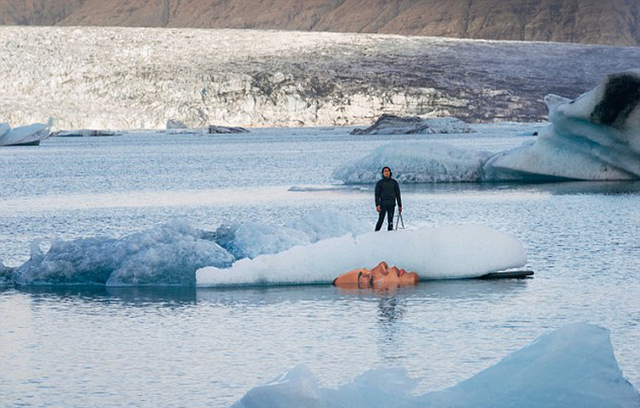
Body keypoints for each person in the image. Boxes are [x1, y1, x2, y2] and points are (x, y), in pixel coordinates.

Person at [374, 166, 402, 231]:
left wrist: (399, 205)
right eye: (385, 171)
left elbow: (398, 194)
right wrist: (377, 205)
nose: (386, 173)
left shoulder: (394, 182)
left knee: (390, 221)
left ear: (390, 172)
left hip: (391, 204)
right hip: (382, 204)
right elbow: (377, 195)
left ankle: (390, 235)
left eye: (387, 171)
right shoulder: (380, 183)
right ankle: (376, 233)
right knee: (380, 220)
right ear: (383, 173)